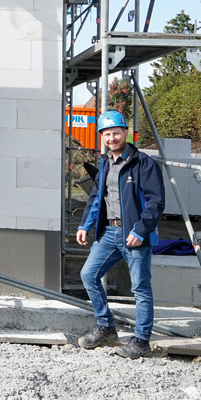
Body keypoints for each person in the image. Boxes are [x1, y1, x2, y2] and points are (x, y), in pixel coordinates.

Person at [75, 110, 166, 359]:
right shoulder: (105, 163)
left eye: (116, 133)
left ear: (125, 132)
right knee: (88, 275)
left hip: (134, 236)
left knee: (141, 289)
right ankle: (106, 327)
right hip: (109, 233)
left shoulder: (143, 162)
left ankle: (141, 341)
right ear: (102, 137)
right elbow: (97, 198)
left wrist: (140, 230)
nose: (112, 138)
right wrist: (85, 225)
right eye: (107, 134)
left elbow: (156, 201)